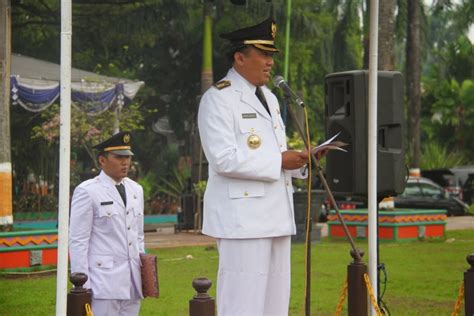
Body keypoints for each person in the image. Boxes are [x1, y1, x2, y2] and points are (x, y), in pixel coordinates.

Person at [198, 15, 313, 316]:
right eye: (263, 54)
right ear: (239, 57)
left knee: (275, 305)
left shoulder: (272, 99)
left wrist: (301, 161)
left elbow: (275, 154)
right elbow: (223, 158)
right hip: (243, 220)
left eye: (271, 55)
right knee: (242, 305)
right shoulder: (218, 99)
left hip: (276, 214)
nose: (270, 62)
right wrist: (280, 160)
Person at [69, 131, 145, 316]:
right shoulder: (87, 191)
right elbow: (78, 240)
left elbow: (139, 236)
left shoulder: (136, 189)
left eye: (127, 157)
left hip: (132, 281)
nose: (125, 162)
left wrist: (144, 274)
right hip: (102, 282)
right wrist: (82, 285)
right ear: (102, 161)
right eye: (119, 157)